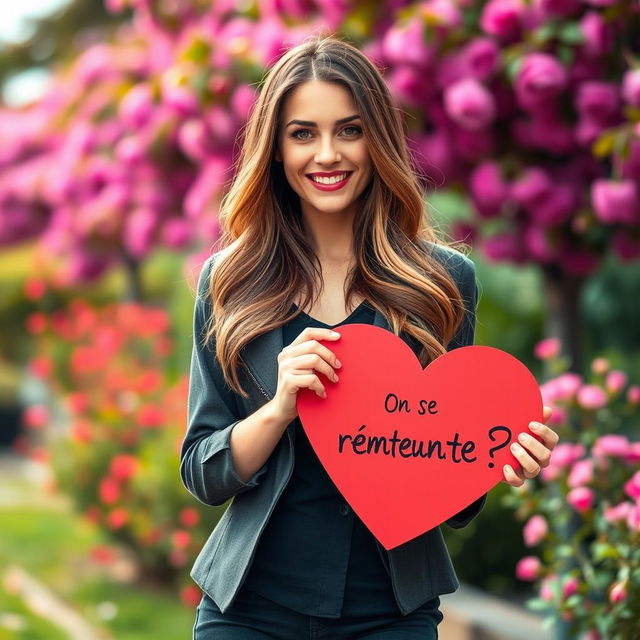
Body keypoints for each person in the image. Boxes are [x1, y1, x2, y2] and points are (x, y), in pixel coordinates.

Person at [180, 34, 558, 640]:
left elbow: (451, 497)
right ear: (275, 149)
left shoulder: (442, 282)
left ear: (377, 139)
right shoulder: (230, 280)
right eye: (303, 133)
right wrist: (279, 410)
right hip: (249, 612)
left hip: (390, 615)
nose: (327, 154)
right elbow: (204, 470)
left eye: (349, 130)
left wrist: (498, 460)